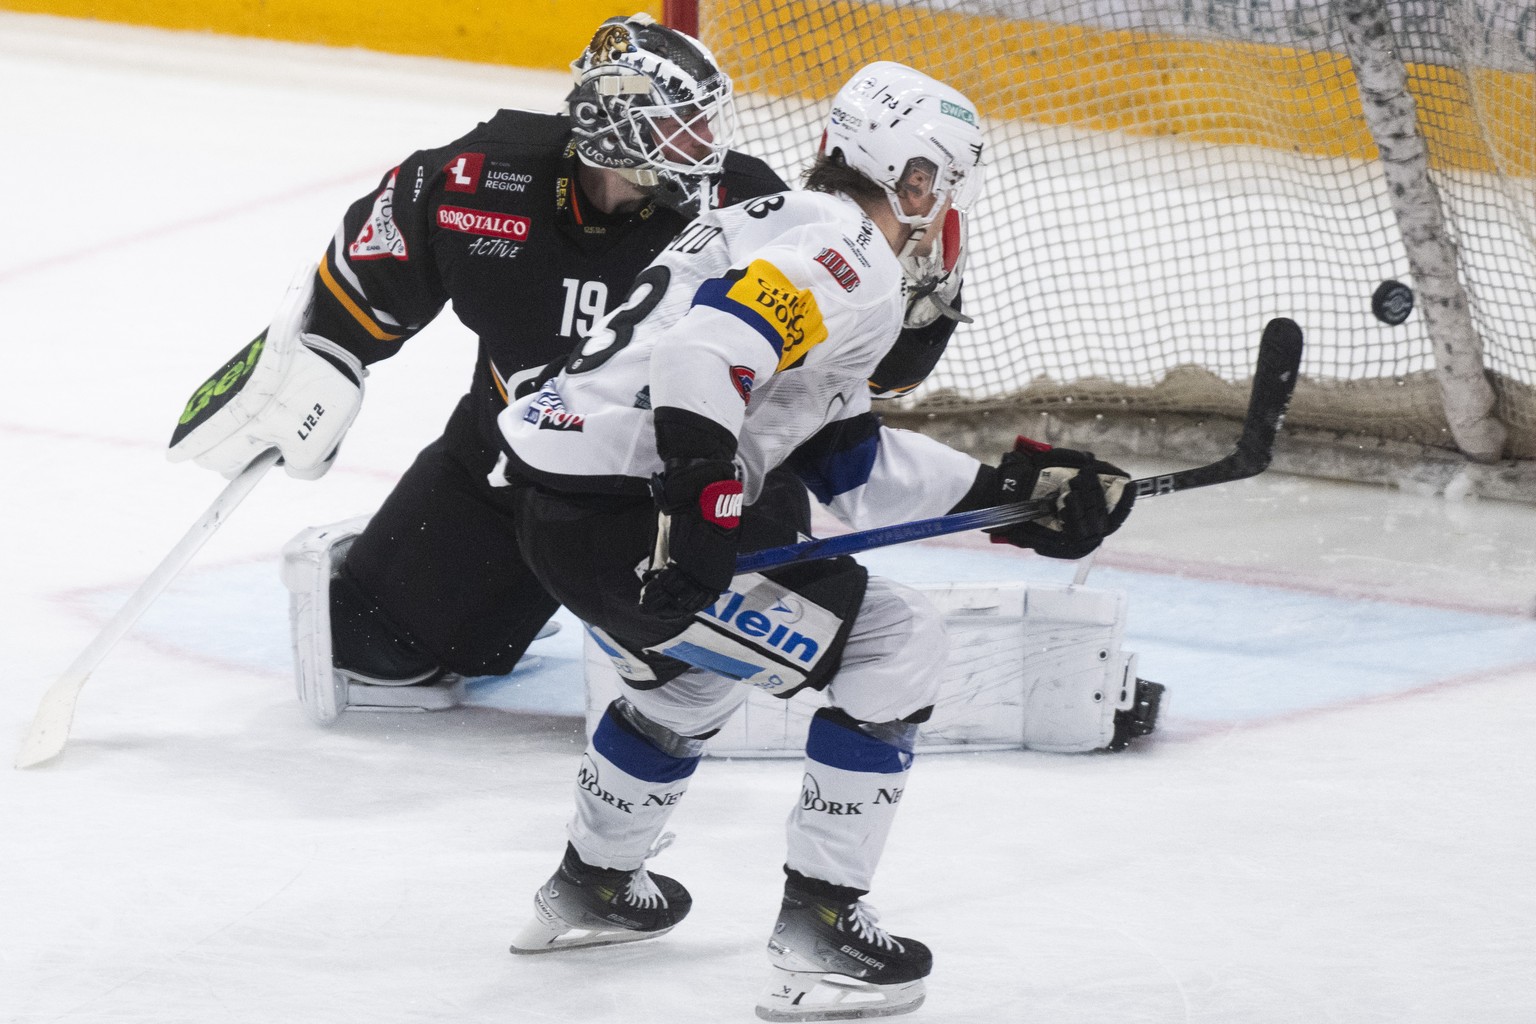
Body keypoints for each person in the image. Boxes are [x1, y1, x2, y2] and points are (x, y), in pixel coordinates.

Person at [493, 62, 1135, 1020]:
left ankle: (592, 888)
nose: (939, 209)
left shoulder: (778, 216)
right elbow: (700, 356)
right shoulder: (854, 259)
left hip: (562, 514)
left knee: (695, 677)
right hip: (637, 518)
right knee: (894, 639)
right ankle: (822, 931)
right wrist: (705, 512)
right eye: (938, 185)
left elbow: (841, 459)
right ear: (913, 180)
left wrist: (1011, 497)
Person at [164, 14, 914, 723]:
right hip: (504, 464)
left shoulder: (746, 201)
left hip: (683, 490)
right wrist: (311, 370)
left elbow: (834, 355)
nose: (706, 143)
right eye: (679, 125)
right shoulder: (476, 182)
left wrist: (910, 324)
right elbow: (359, 286)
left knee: (710, 693)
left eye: (706, 121)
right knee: (372, 644)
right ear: (612, 131)